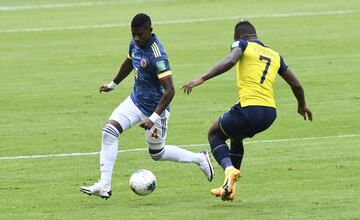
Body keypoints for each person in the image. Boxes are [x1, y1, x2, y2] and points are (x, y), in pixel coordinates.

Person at [80, 13, 214, 199]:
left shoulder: (157, 56)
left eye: (140, 34)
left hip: (156, 108)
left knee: (157, 153)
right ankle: (104, 185)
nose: (136, 38)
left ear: (150, 31)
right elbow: (129, 62)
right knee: (109, 131)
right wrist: (113, 84)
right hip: (136, 101)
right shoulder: (135, 43)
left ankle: (200, 158)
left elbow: (170, 91)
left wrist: (153, 118)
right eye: (133, 34)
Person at [182, 20, 312, 201]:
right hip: (269, 114)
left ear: (239, 36)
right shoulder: (275, 55)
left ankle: (229, 170)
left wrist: (202, 78)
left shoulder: (241, 44)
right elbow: (296, 84)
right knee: (236, 137)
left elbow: (230, 60)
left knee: (214, 134)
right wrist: (302, 105)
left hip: (249, 109)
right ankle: (229, 187)